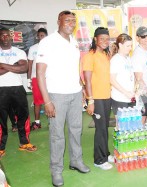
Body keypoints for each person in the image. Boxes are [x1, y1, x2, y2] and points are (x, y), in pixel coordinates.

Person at [36, 10, 90, 187]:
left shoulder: (73, 42)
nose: (71, 24)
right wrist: (47, 101)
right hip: (56, 95)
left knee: (76, 129)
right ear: (58, 21)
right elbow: (40, 73)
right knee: (57, 135)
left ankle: (76, 160)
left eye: (73, 21)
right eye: (67, 20)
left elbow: (74, 69)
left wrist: (81, 88)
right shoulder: (48, 42)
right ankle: (56, 170)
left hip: (75, 93)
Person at [0, 27, 37, 159]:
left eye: (7, 35)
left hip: (17, 88)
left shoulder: (19, 52)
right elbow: (18, 67)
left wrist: (3, 65)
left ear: (11, 37)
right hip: (1, 89)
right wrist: (14, 65)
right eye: (2, 36)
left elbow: (24, 68)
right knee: (1, 119)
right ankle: (0, 147)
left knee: (23, 116)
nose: (5, 38)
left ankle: (24, 142)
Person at [82, 27, 114, 170]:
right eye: (102, 39)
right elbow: (87, 80)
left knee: (104, 127)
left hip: (107, 96)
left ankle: (105, 154)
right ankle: (99, 160)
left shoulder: (106, 55)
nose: (105, 42)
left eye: (107, 39)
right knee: (100, 129)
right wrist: (90, 100)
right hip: (96, 98)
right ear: (95, 39)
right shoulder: (90, 56)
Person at [110, 34, 135, 125]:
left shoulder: (128, 58)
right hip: (119, 98)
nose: (130, 48)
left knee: (129, 126)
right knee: (121, 126)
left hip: (130, 97)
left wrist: (134, 91)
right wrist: (125, 92)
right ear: (120, 45)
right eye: (128, 46)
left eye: (131, 46)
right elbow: (112, 80)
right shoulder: (115, 60)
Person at [132, 26, 147, 124]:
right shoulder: (137, 54)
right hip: (143, 90)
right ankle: (139, 137)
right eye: (143, 36)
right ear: (137, 38)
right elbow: (138, 77)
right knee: (143, 115)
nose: (146, 38)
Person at [27, 28, 48, 130]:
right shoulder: (32, 48)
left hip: (49, 78)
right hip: (36, 78)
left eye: (42, 35)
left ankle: (52, 122)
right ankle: (37, 122)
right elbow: (30, 64)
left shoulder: (51, 48)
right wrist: (28, 79)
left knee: (51, 100)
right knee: (37, 101)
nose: (40, 37)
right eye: (39, 36)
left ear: (46, 36)